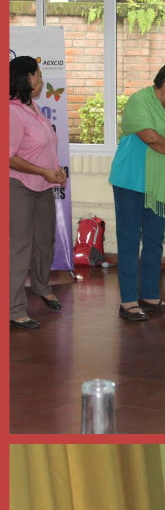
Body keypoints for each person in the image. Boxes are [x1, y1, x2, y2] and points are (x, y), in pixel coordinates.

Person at [109, 61, 165, 322]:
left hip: (158, 186)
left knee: (153, 241)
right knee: (129, 241)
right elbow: (150, 138)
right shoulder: (139, 101)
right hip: (131, 181)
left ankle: (149, 295)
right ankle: (128, 301)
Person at [9, 56, 66, 330]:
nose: (41, 80)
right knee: (18, 247)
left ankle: (41, 287)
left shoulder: (34, 107)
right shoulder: (11, 111)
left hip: (43, 186)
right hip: (18, 186)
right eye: (38, 75)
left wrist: (55, 170)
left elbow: (45, 148)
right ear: (25, 78)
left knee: (44, 241)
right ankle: (14, 309)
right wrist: (42, 172)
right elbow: (9, 157)